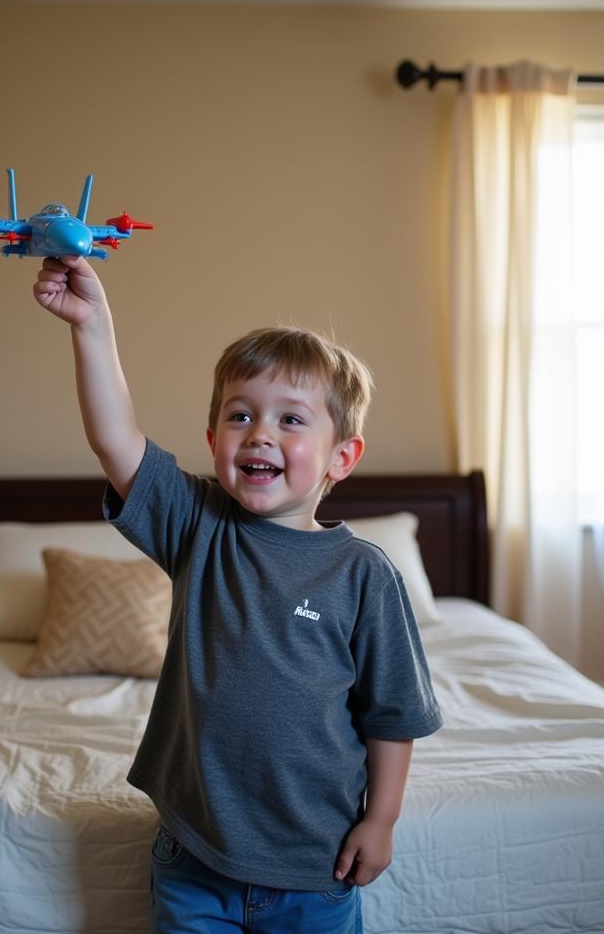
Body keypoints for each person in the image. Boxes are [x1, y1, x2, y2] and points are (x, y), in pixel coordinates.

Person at [34, 254, 443, 934]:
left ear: (342, 456)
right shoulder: (198, 525)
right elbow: (114, 438)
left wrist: (382, 820)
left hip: (317, 865)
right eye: (240, 415)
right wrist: (91, 325)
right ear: (213, 441)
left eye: (291, 420)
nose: (260, 433)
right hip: (195, 856)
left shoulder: (364, 575)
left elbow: (392, 714)